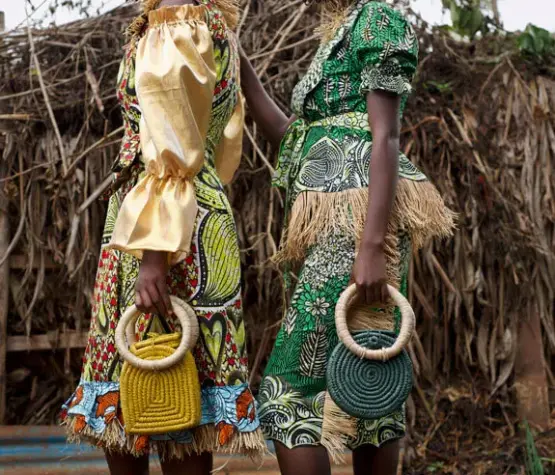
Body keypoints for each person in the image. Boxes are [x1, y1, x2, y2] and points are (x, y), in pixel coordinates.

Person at [239, 1, 456, 474]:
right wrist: (240, 66)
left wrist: (372, 245)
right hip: (330, 226)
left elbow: (386, 137)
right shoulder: (338, 32)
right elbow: (292, 136)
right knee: (366, 373)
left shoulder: (377, 19)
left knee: (288, 391)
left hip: (356, 227)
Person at [61, 1, 265, 474]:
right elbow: (222, 138)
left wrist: (155, 254)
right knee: (181, 383)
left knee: (142, 376)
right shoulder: (215, 25)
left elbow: (171, 140)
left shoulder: (176, 21)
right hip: (197, 213)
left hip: (161, 225)